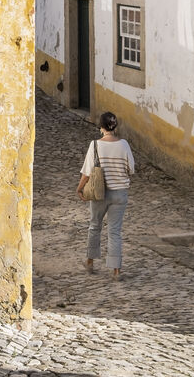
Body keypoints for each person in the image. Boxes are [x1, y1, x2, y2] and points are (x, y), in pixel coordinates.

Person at [76, 111, 135, 279]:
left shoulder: (95, 145)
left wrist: (79, 188)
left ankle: (90, 262)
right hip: (120, 194)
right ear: (115, 127)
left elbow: (87, 172)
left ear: (101, 127)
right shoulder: (124, 145)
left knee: (95, 226)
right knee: (115, 231)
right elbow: (131, 169)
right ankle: (116, 271)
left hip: (99, 193)